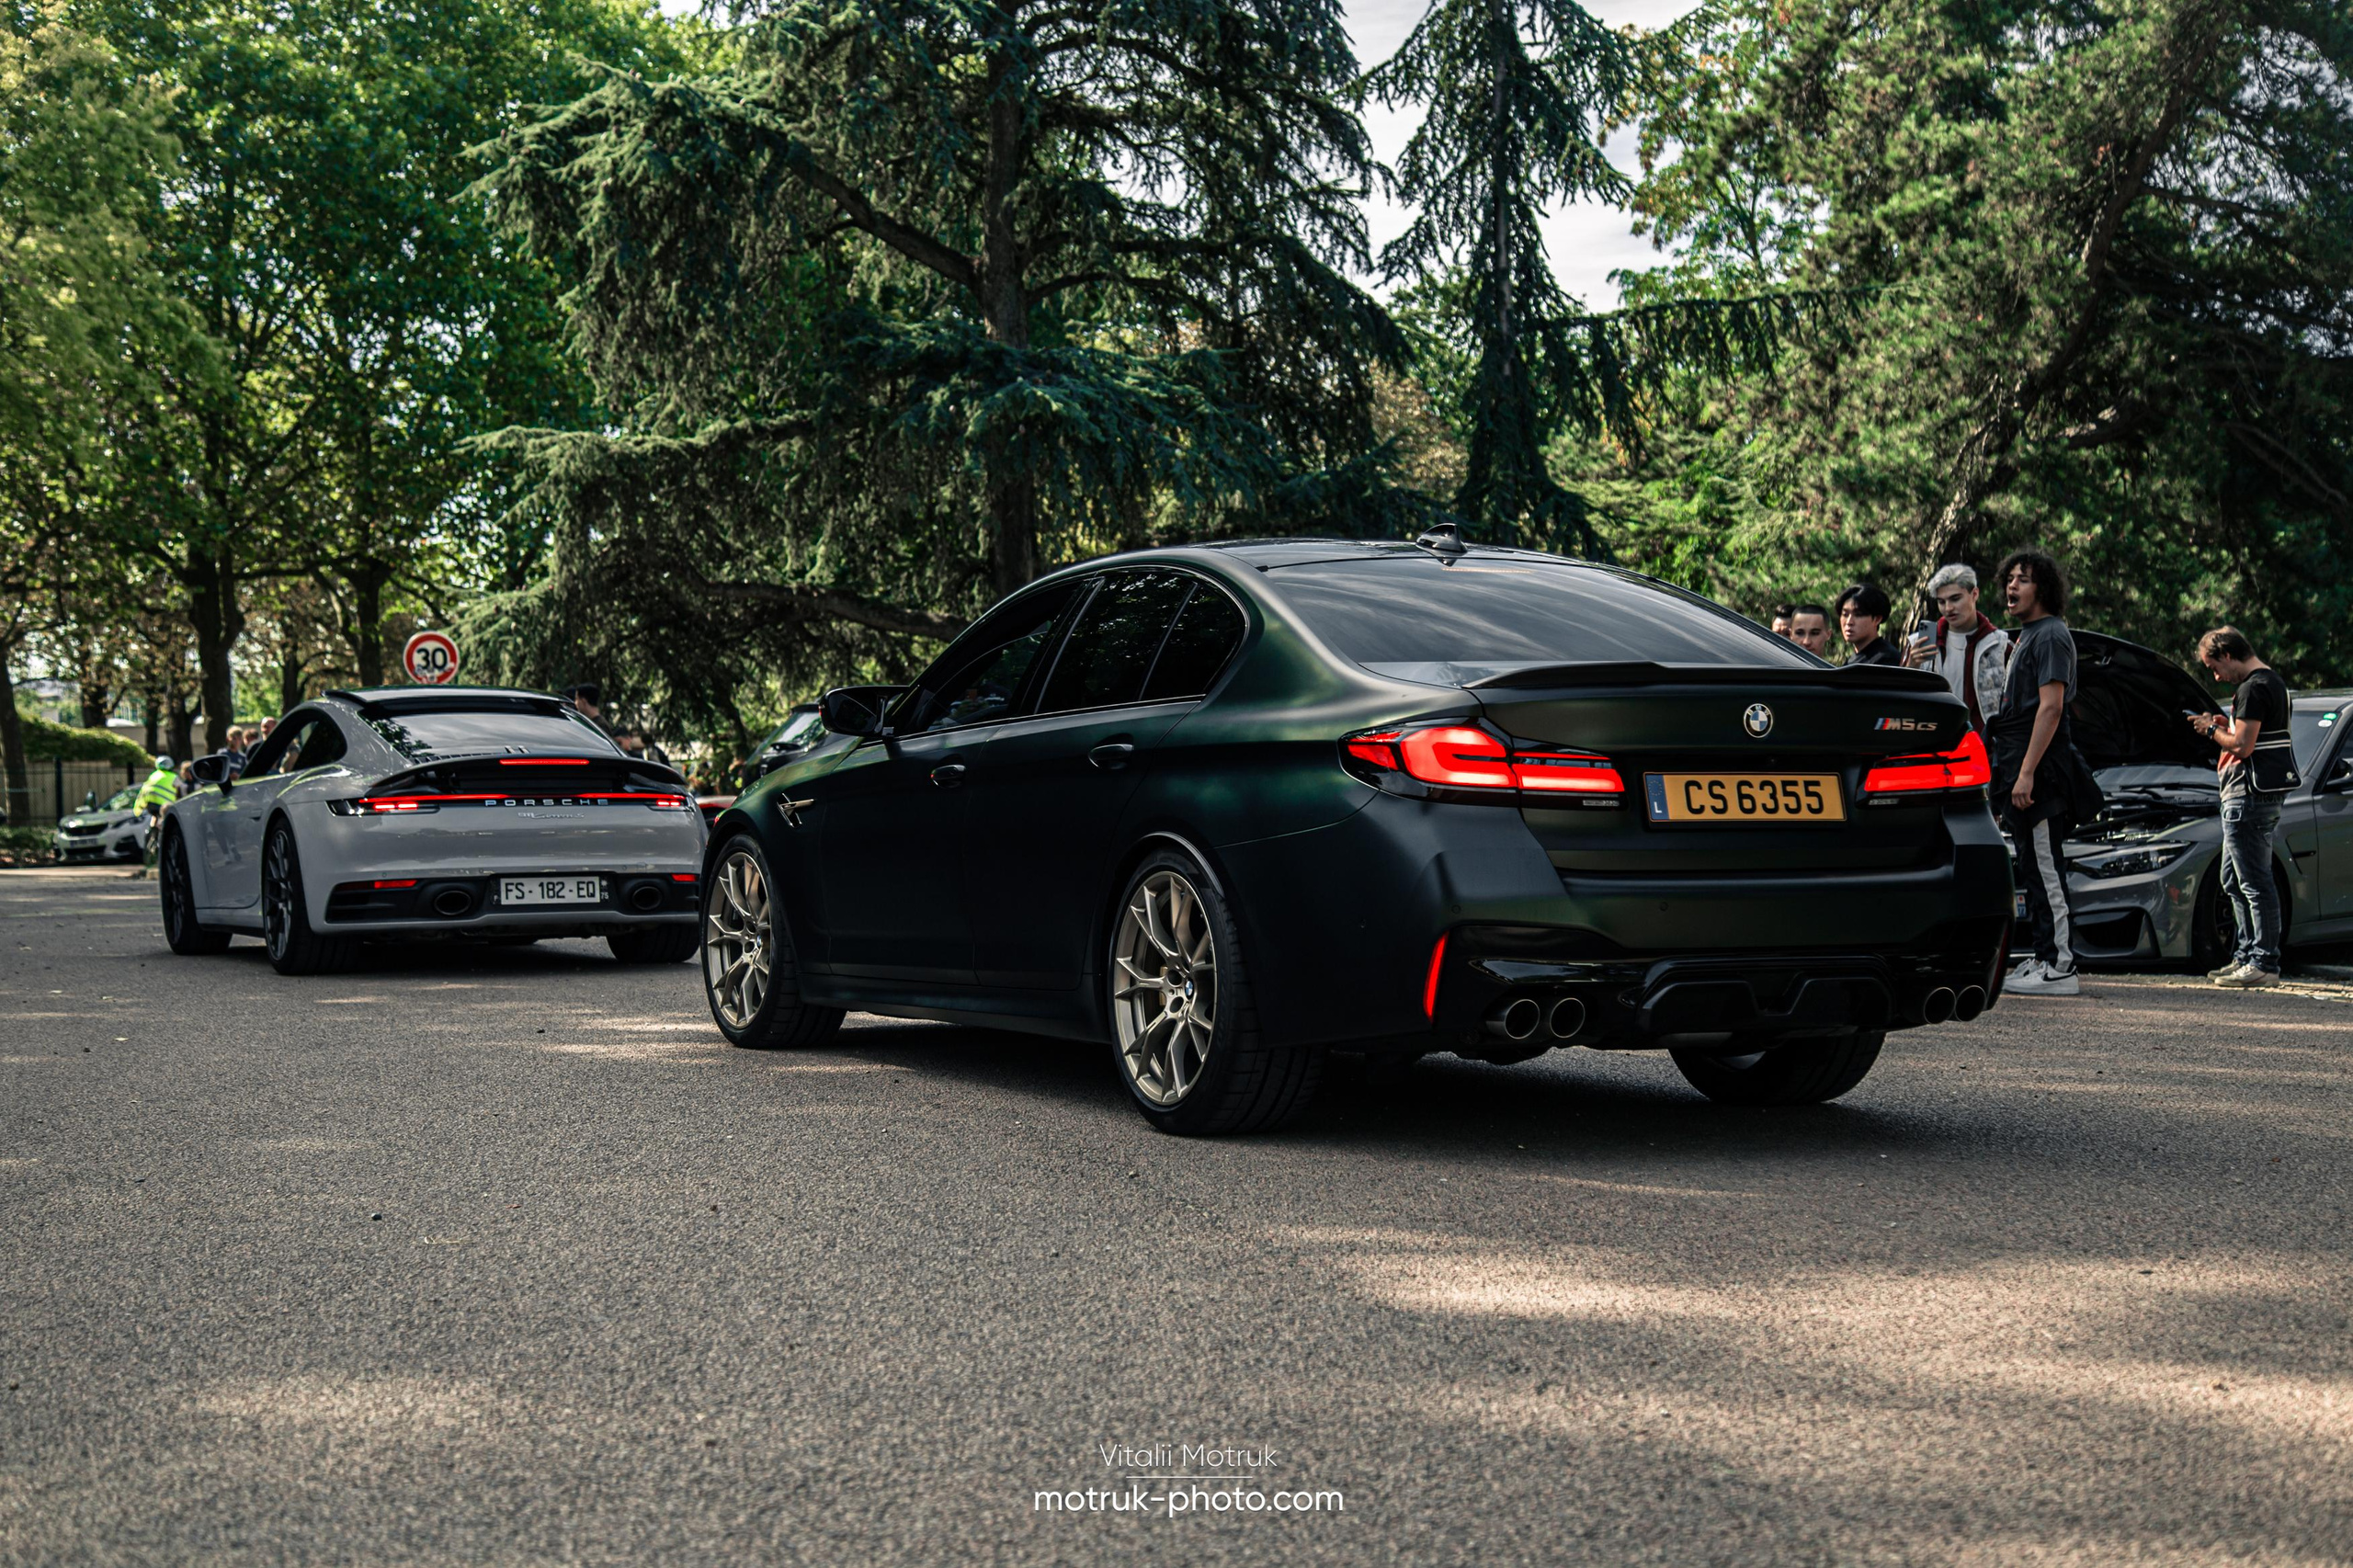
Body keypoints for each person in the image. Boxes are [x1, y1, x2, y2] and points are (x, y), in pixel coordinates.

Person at [1987, 550, 2097, 996]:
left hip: (2042, 772)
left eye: (2024, 580)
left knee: (2047, 867)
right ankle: (2043, 955)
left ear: (2044, 589)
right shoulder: (2029, 635)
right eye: (2009, 578)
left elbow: (2051, 709)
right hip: (2018, 763)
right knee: (2032, 866)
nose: (2012, 587)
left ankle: (2062, 966)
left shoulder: (2051, 634)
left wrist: (2028, 772)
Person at [2189, 628, 2295, 987]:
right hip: (2256, 795)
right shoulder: (2274, 683)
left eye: (2214, 666)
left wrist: (2209, 730)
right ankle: (2246, 955)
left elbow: (2244, 746)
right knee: (2232, 879)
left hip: (2247, 796)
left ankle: (2264, 963)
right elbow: (2253, 734)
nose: (2216, 676)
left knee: (2254, 882)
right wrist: (2227, 723)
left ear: (2228, 654)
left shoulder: (2253, 687)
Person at [1905, 563, 2010, 728]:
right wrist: (1911, 667)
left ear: (1974, 594)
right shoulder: (1918, 644)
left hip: (1985, 745)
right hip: (1934, 741)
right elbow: (1902, 702)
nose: (1948, 608)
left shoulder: (2000, 645)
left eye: (1955, 599)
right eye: (1941, 602)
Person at [131, 755, 178, 879]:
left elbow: (143, 792)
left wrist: (138, 809)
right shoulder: (174, 777)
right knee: (164, 822)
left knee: (154, 819)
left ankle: (151, 834)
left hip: (151, 806)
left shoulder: (153, 776)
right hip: (164, 807)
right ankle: (161, 839)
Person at [1834, 583, 1903, 665]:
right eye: (1845, 614)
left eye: (1858, 615)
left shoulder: (1886, 659)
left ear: (1877, 619)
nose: (1849, 622)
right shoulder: (1853, 660)